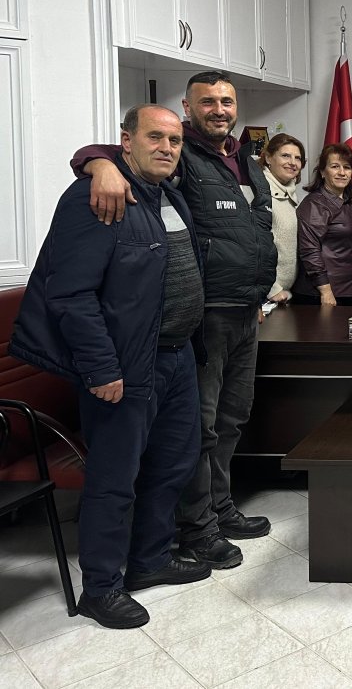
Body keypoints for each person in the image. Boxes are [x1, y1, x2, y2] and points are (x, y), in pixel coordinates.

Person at [13, 105, 208, 628]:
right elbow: (71, 295)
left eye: (174, 140)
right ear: (126, 141)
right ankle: (100, 587)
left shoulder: (168, 194)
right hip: (126, 365)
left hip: (177, 356)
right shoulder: (97, 196)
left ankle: (150, 560)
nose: (167, 147)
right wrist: (101, 370)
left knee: (172, 464)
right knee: (114, 478)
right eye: (155, 137)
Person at [73, 71, 277, 570]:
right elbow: (117, 151)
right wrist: (97, 164)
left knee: (231, 419)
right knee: (198, 430)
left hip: (246, 309)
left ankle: (220, 510)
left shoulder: (244, 160)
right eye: (208, 102)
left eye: (227, 101)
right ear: (189, 107)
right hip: (204, 316)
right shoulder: (180, 154)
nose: (219, 109)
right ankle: (197, 525)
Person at [294, 143, 352, 305]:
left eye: (347, 167)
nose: (342, 172)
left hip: (345, 290)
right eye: (335, 166)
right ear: (322, 172)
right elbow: (310, 250)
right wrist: (325, 291)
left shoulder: (347, 202)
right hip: (320, 294)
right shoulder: (315, 204)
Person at [258, 133, 306, 305]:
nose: (293, 162)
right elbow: (253, 246)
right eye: (285, 155)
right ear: (268, 158)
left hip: (284, 294)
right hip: (267, 294)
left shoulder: (290, 193)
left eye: (297, 158)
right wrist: (272, 289)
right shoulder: (259, 193)